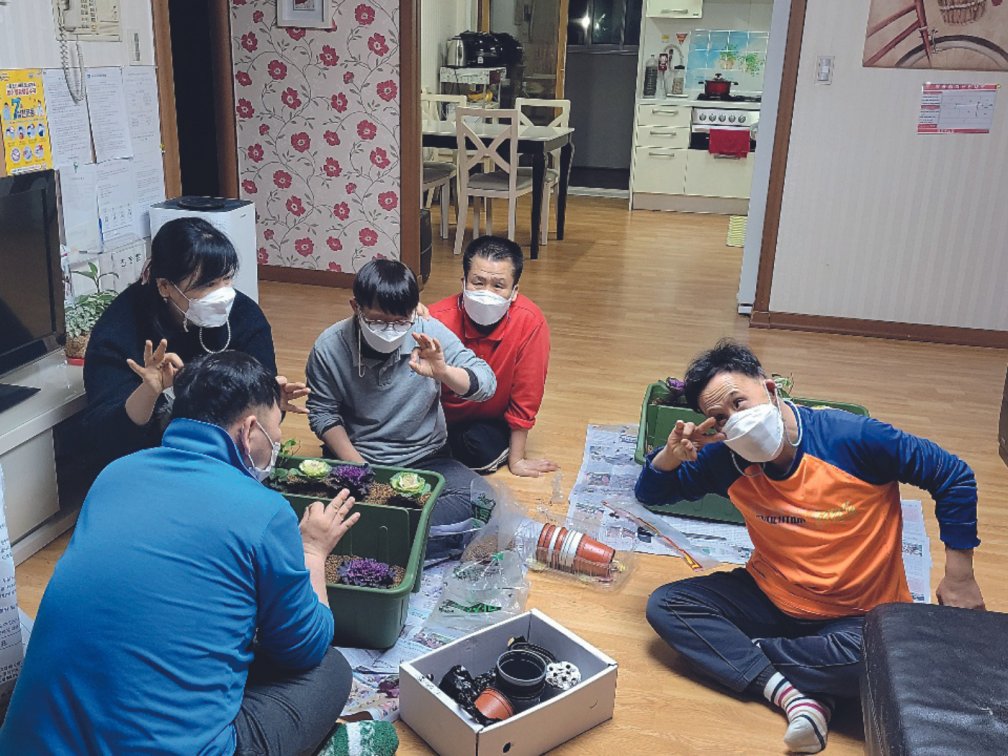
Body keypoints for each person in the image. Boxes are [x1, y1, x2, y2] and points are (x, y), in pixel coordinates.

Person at [0, 351, 358, 756]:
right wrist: (312, 550)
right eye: (276, 434)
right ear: (250, 431)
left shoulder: (116, 474)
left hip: (33, 745)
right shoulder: (264, 511)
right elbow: (303, 648)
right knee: (330, 670)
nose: (276, 445)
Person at [635, 340, 983, 754]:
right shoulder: (726, 461)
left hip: (857, 615)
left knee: (885, 660)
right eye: (720, 418)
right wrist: (669, 457)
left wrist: (960, 575)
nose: (735, 421)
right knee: (666, 605)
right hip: (769, 595)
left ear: (770, 387)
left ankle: (746, 658)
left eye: (739, 402)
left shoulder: (852, 438)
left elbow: (952, 475)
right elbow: (651, 493)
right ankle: (799, 692)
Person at [82, 217, 308, 467]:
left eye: (227, 278)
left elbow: (260, 414)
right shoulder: (120, 328)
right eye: (209, 284)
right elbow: (105, 435)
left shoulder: (244, 316)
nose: (223, 294)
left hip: (223, 455)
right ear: (165, 286)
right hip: (146, 460)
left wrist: (269, 403)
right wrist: (149, 391)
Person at [305, 259, 496, 538]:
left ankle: (381, 533)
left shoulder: (427, 332)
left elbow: (486, 384)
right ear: (355, 307)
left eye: (400, 322)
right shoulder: (330, 346)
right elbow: (322, 413)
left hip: (426, 458)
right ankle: (403, 534)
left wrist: (443, 371)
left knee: (481, 502)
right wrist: (360, 469)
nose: (389, 329)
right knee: (311, 513)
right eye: (378, 320)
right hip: (360, 458)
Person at [428, 236, 558, 477]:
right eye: (478, 282)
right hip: (438, 418)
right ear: (463, 282)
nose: (487, 292)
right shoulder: (436, 318)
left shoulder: (530, 322)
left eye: (498, 286)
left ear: (514, 291)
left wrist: (517, 460)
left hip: (488, 420)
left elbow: (527, 392)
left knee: (479, 450)